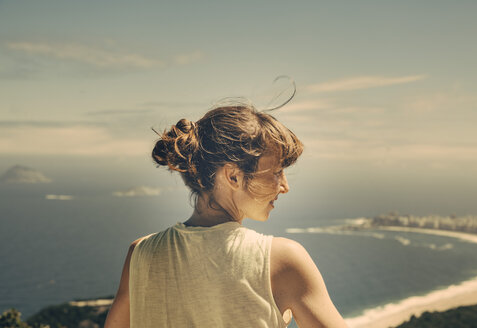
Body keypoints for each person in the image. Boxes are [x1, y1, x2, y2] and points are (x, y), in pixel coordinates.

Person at [104, 103, 348, 328]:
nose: (284, 186)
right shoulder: (281, 260)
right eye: (275, 172)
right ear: (233, 176)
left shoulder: (141, 253)